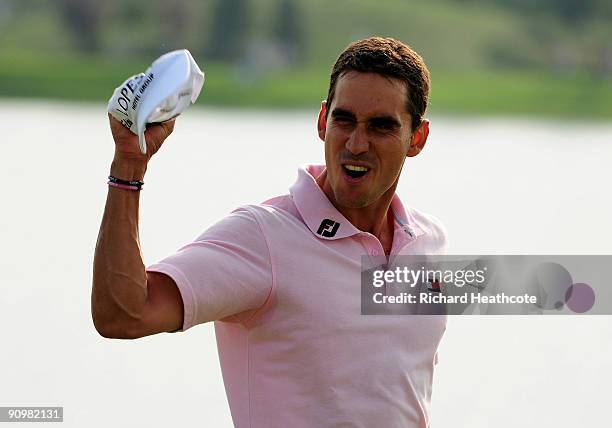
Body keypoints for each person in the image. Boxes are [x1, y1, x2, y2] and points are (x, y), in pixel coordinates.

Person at [92, 36, 448, 428]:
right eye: (344, 120)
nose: (356, 143)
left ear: (417, 138)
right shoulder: (262, 238)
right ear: (321, 121)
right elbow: (122, 315)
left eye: (381, 126)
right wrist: (129, 166)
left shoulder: (429, 240)